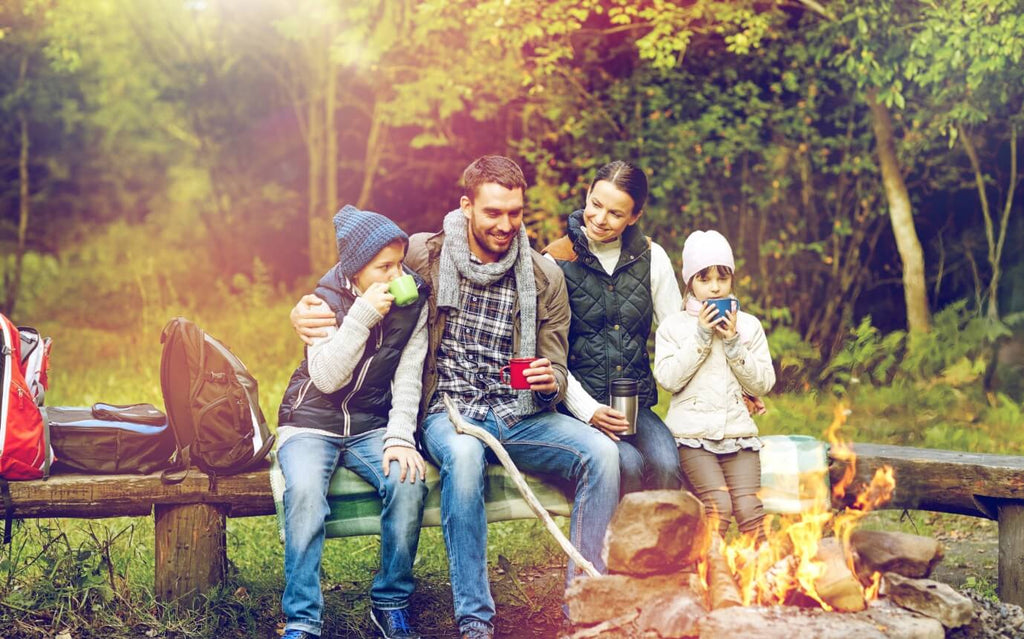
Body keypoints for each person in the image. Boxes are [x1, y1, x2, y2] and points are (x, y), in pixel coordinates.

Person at [291, 156, 620, 639]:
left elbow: (554, 363)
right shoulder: (427, 253)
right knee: (464, 457)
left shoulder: (543, 276)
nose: (505, 224)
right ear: (466, 207)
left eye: (515, 212)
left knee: (603, 455)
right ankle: (474, 620)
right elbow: (359, 266)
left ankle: (585, 605)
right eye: (492, 212)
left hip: (518, 409)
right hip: (449, 409)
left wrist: (550, 379)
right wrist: (308, 307)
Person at [277, 205, 430, 639]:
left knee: (407, 481)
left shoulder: (411, 300)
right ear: (356, 270)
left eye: (399, 263)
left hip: (370, 423)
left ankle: (391, 602)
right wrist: (362, 317)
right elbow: (326, 378)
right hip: (309, 422)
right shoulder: (322, 302)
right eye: (384, 266)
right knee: (305, 493)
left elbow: (409, 375)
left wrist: (400, 436)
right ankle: (303, 618)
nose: (396, 273)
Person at [541, 160, 683, 494]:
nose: (600, 219)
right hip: (578, 407)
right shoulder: (555, 261)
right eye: (595, 205)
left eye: (616, 214)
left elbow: (679, 334)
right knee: (627, 464)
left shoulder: (652, 256)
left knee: (667, 464)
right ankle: (621, 546)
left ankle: (661, 545)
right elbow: (549, 353)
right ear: (587, 195)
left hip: (634, 405)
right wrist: (588, 411)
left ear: (635, 216)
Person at [653, 230, 776, 542]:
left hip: (738, 436)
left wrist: (734, 343)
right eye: (704, 279)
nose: (715, 287)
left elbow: (764, 382)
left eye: (723, 277)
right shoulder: (674, 327)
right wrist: (702, 336)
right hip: (691, 438)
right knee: (718, 507)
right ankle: (708, 580)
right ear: (690, 282)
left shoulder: (748, 326)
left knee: (750, 510)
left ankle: (764, 583)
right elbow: (668, 379)